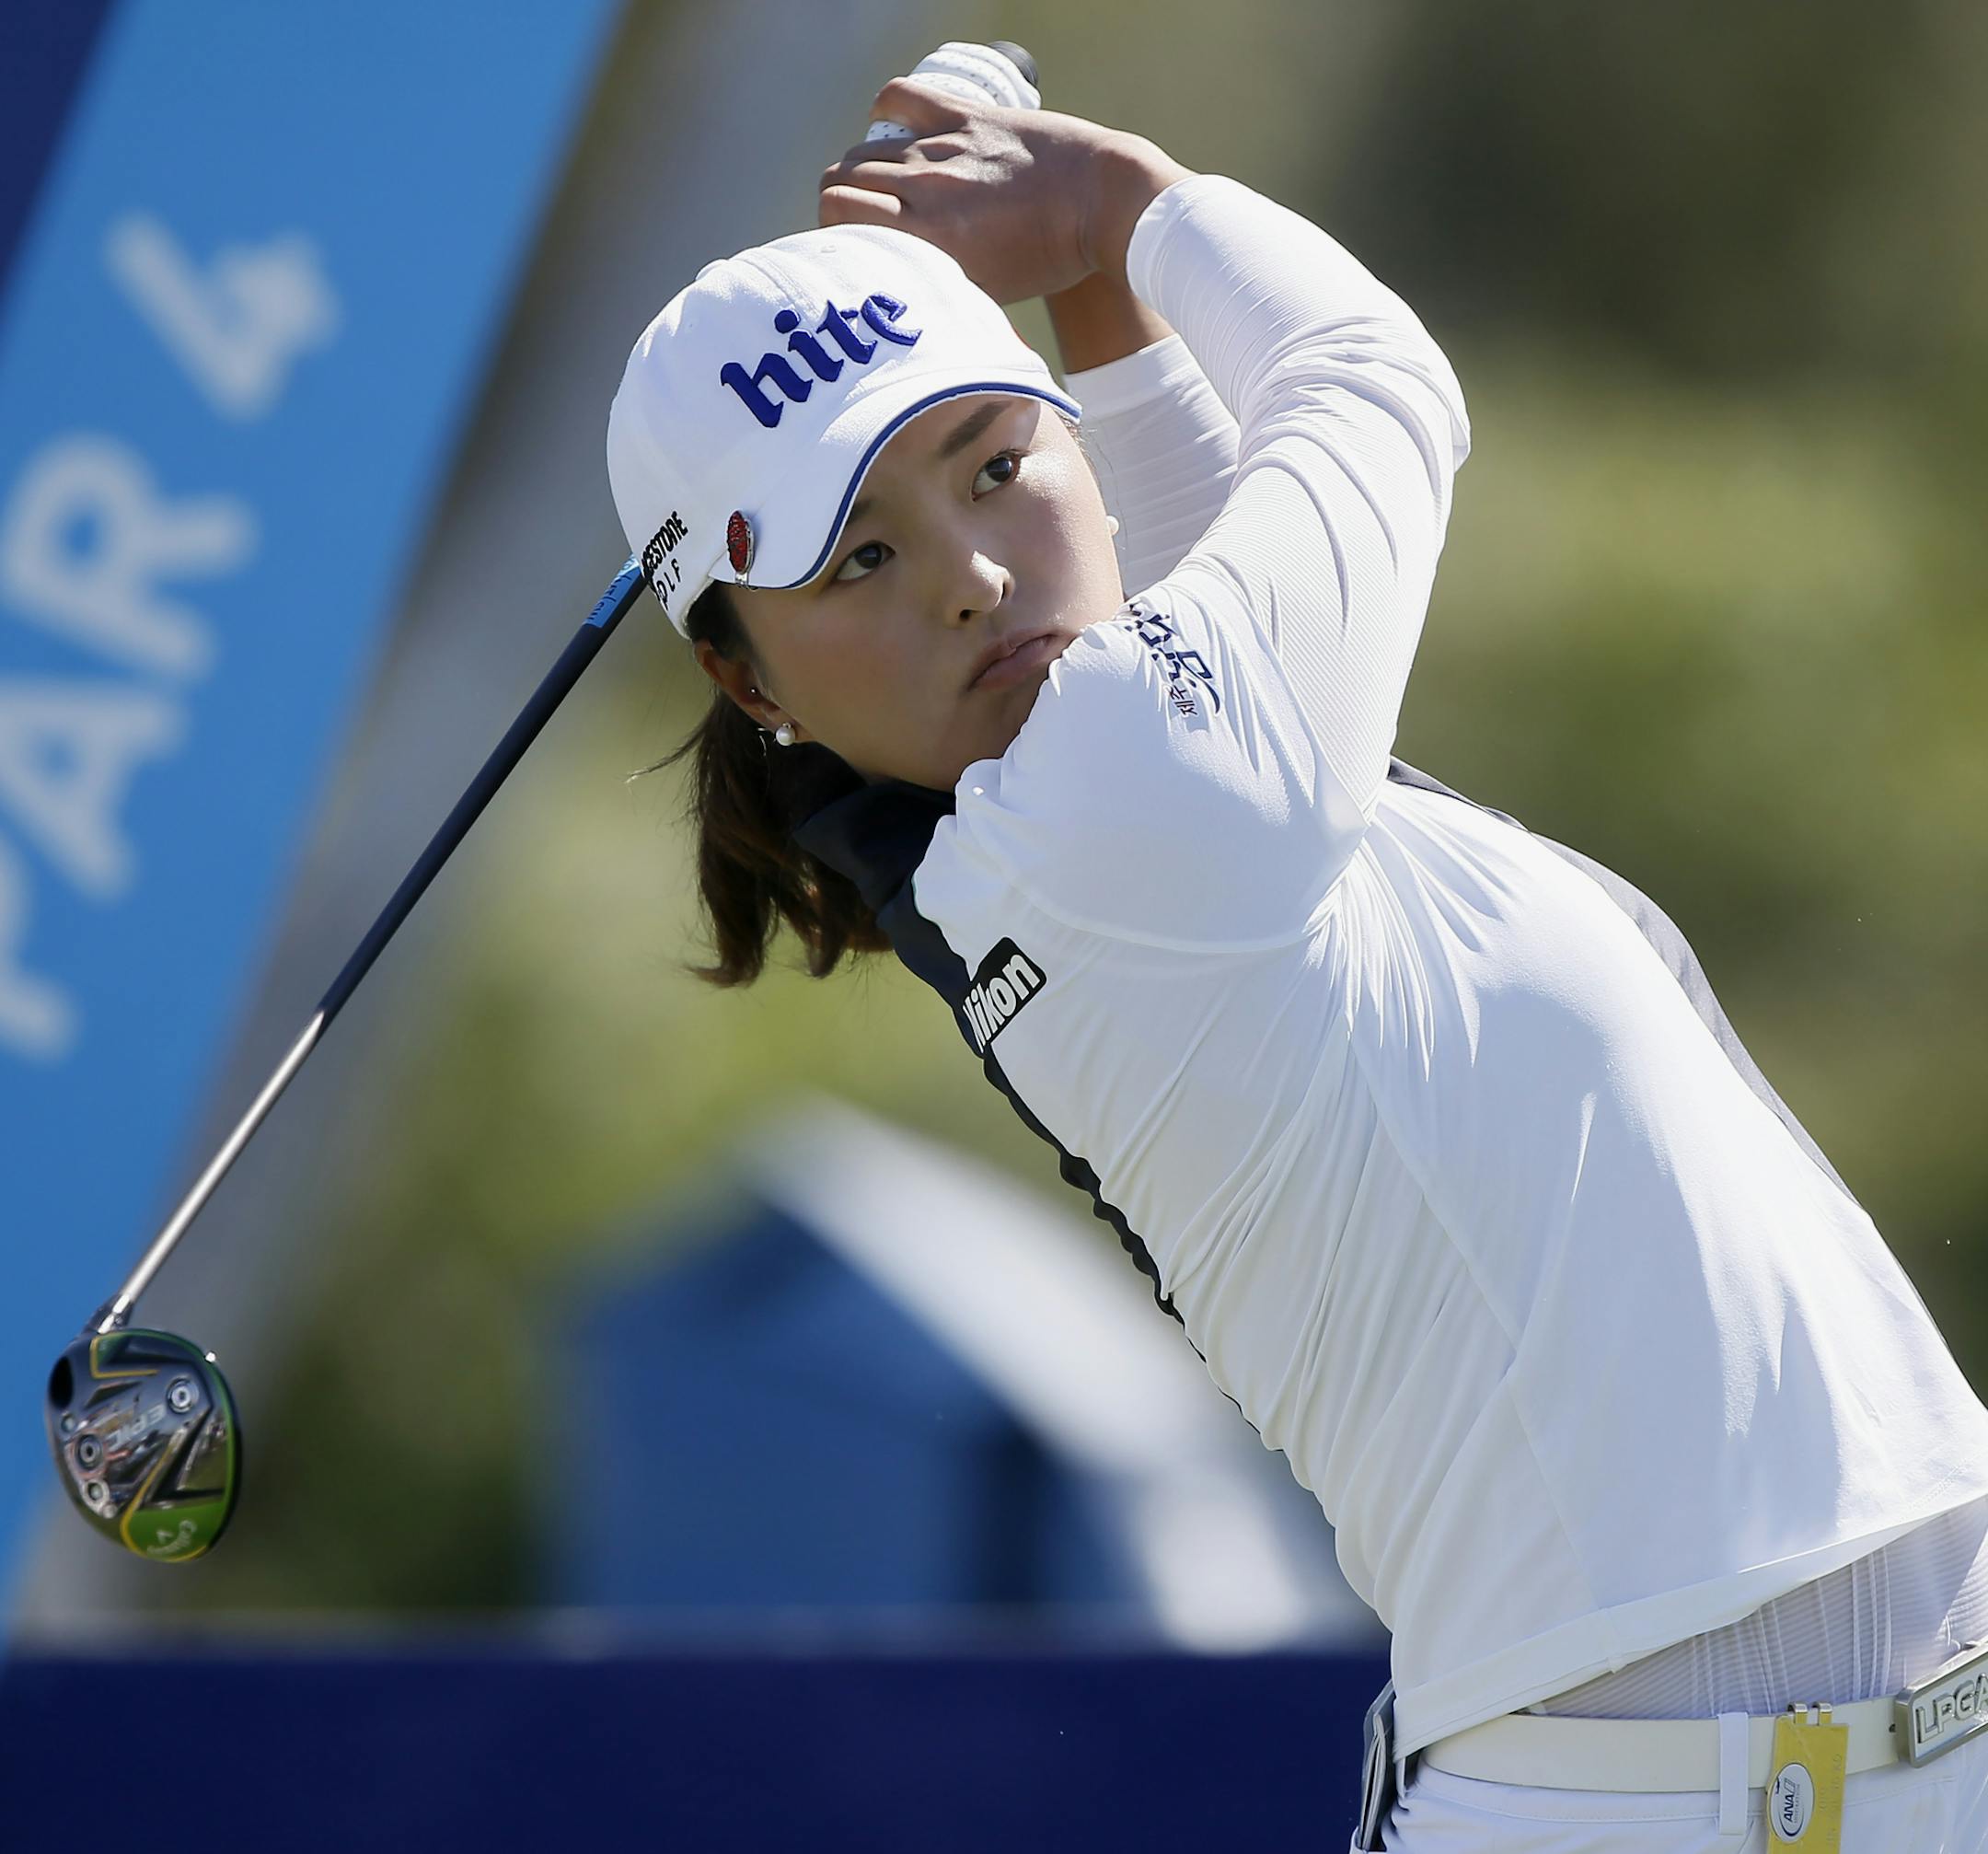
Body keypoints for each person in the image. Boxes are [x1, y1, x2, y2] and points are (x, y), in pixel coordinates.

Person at [604, 75, 1988, 1853]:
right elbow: (1374, 378)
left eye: (996, 467)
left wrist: (1097, 302)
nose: (967, 573)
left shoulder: (1133, 793)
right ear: (752, 681)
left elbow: (1164, 559)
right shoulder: (1125, 801)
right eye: (858, 555)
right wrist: (1127, 206)